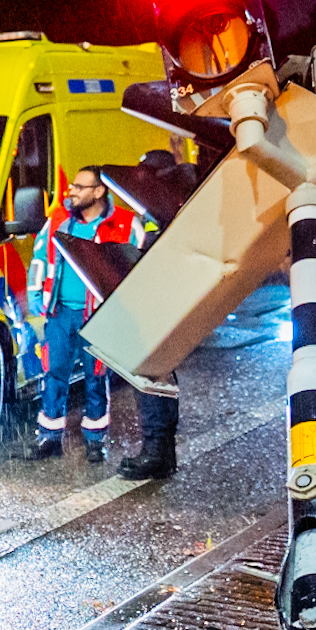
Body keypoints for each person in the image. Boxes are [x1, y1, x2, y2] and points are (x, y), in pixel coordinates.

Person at [27, 165, 136, 463]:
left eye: (80, 186)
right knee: (53, 374)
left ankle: (95, 440)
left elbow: (137, 268)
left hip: (99, 316)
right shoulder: (58, 221)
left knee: (96, 378)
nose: (71, 191)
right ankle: (49, 436)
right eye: (73, 185)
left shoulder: (125, 225)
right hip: (61, 313)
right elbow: (39, 258)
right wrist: (36, 294)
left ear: (99, 192)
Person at [117, 150, 200, 480]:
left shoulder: (167, 211)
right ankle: (163, 453)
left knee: (151, 375)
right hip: (165, 299)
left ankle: (156, 452)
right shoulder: (176, 207)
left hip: (158, 302)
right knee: (161, 375)